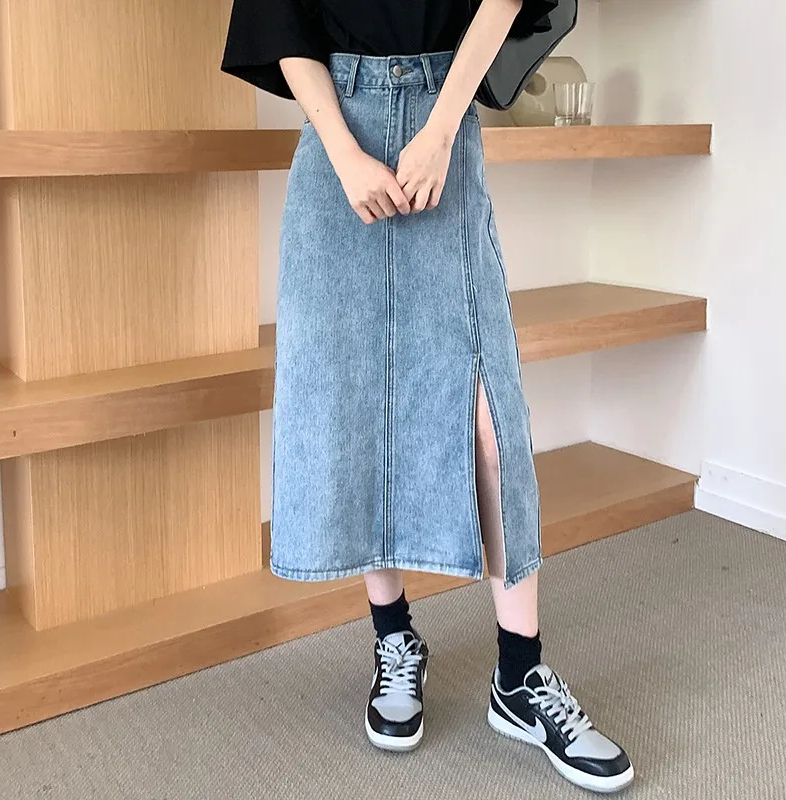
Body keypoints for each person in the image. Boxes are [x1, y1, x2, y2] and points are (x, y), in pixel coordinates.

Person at [221, 0, 633, 792]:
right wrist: (344, 153)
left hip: (445, 131)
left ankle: (520, 676)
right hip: (337, 149)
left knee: (490, 424)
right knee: (357, 408)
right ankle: (395, 639)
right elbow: (281, 19)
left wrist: (442, 128)